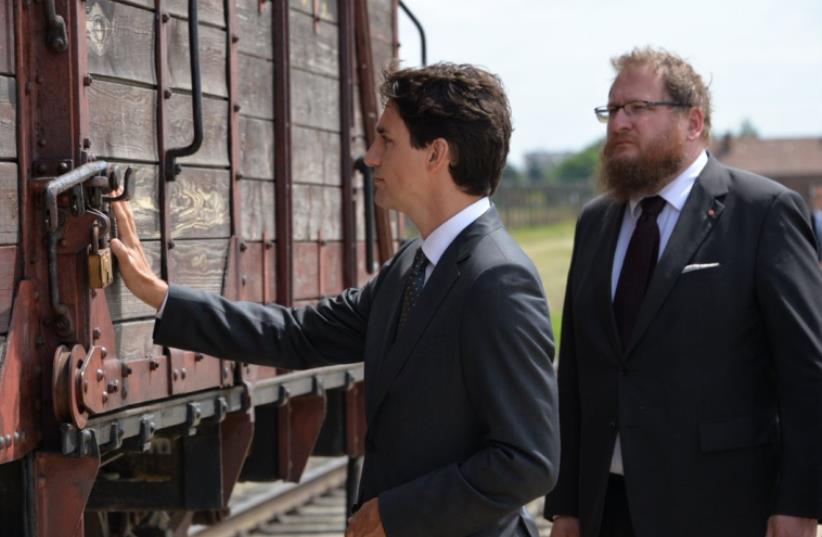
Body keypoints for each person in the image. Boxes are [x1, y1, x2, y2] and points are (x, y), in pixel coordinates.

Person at [111, 63, 559, 537]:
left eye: (387, 140)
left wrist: (395, 513)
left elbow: (526, 461)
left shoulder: (498, 281)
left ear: (437, 154)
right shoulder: (411, 265)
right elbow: (297, 334)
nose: (370, 157)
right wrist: (157, 295)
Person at [544, 47, 822, 537]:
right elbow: (577, 375)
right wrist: (566, 501)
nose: (618, 124)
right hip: (605, 507)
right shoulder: (596, 221)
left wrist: (801, 501)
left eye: (638, 109)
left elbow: (807, 371)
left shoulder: (763, 212)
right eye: (612, 110)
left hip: (721, 505)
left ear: (693, 122)